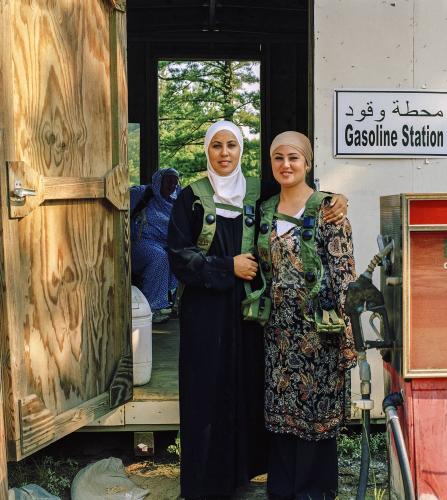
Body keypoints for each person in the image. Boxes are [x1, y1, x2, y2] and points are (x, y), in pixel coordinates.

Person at [167, 121, 348, 499]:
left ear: (241, 152)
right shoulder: (191, 198)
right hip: (207, 313)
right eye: (216, 146)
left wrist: (338, 198)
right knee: (208, 391)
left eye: (231, 145)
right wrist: (225, 267)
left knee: (249, 391)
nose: (224, 153)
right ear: (206, 151)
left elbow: (302, 193)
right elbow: (179, 258)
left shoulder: (256, 194)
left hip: (253, 317)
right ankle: (205, 484)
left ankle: (246, 474)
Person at [258, 131, 357, 500]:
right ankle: (282, 489)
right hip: (278, 332)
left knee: (317, 411)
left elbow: (345, 274)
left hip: (319, 331)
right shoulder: (265, 210)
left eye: (294, 157)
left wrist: (347, 336)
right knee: (282, 409)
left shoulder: (329, 210)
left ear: (308, 163)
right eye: (278, 158)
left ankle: (314, 491)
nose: (286, 165)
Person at [130, 168, 181, 323]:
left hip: (164, 244)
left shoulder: (176, 200)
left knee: (183, 256)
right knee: (159, 257)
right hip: (140, 243)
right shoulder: (143, 193)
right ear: (159, 181)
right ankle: (151, 308)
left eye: (175, 180)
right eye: (169, 180)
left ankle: (174, 304)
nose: (172, 184)